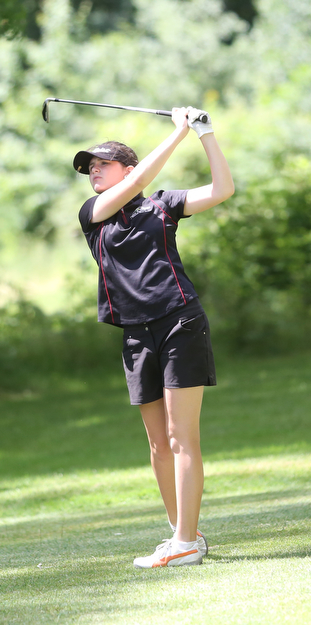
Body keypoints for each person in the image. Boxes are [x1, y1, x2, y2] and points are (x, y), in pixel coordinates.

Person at [73, 106, 234, 568]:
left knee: (182, 437)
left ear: (127, 166)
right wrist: (177, 132)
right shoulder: (94, 214)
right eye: (90, 168)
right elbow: (134, 184)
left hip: (180, 321)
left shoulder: (161, 203)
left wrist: (204, 134)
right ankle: (184, 534)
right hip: (136, 336)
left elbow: (223, 190)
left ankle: (184, 541)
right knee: (158, 443)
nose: (94, 173)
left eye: (102, 164)